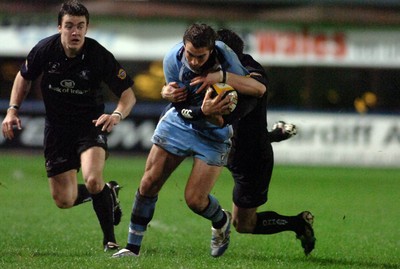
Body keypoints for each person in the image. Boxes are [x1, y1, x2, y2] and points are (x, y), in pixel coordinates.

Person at [112, 23, 265, 259]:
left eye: (200, 56)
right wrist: (183, 101)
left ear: (212, 50)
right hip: (180, 123)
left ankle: (221, 220)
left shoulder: (227, 58)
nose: (194, 61)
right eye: (190, 54)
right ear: (184, 46)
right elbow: (180, 106)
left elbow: (254, 93)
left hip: (215, 134)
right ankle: (132, 248)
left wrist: (223, 83)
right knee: (149, 183)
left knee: (195, 200)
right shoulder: (172, 59)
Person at [160, 28, 316, 256]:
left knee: (244, 225)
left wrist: (221, 80)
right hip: (222, 146)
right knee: (191, 193)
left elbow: (252, 95)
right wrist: (166, 91)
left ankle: (297, 224)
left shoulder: (249, 71)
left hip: (248, 157)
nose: (205, 62)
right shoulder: (201, 68)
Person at [1, 0, 136, 252]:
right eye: (70, 26)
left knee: (93, 179)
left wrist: (116, 114)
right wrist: (12, 110)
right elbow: (23, 77)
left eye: (81, 26)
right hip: (57, 130)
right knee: (64, 200)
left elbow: (128, 94)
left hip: (90, 126)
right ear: (59, 27)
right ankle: (109, 193)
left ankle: (110, 240)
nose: (75, 32)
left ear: (87, 27)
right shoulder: (45, 50)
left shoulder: (98, 55)